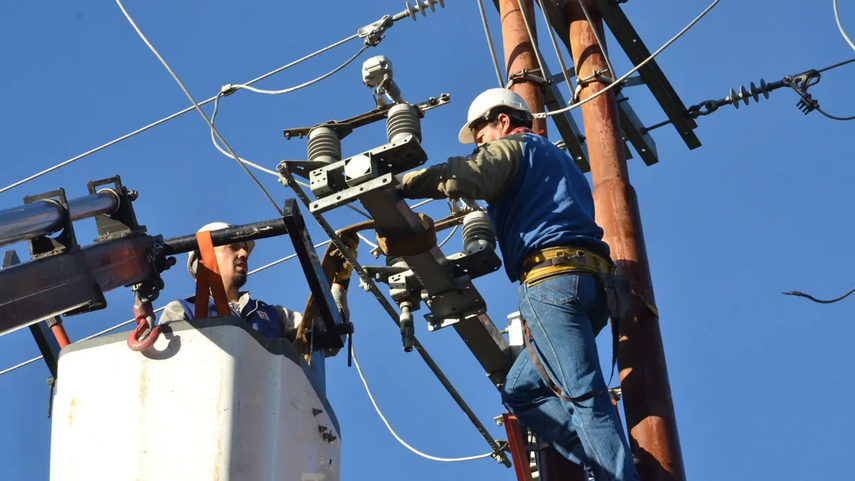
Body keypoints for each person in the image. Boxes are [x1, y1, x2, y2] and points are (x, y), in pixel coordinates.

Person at [391, 88, 639, 480]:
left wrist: (400, 185)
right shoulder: (556, 160)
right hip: (589, 287)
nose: (479, 146)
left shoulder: (516, 148)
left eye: (481, 136)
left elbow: (466, 176)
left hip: (551, 283)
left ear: (502, 122)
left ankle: (617, 471)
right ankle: (609, 458)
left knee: (583, 396)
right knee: (522, 390)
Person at [159, 222, 354, 343]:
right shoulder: (183, 310)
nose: (243, 253)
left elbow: (324, 340)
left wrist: (338, 284)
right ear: (204, 258)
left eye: (244, 249)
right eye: (233, 247)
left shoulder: (276, 316)